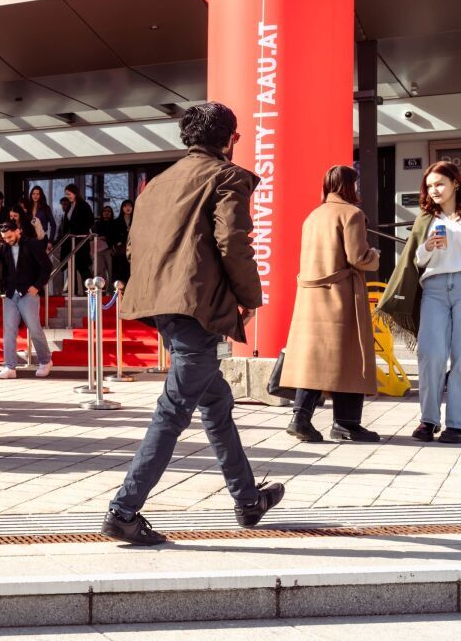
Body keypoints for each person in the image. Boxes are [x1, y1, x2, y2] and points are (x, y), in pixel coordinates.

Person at [103, 102, 283, 546]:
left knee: (216, 402)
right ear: (231, 138)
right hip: (196, 308)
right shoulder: (226, 177)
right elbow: (233, 242)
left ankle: (248, 500)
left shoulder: (157, 184)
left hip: (162, 307)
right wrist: (249, 298)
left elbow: (134, 247)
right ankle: (123, 512)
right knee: (173, 410)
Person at [281, 165, 382, 443]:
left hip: (311, 297)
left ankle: (301, 418)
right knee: (350, 355)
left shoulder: (313, 216)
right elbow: (358, 258)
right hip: (341, 295)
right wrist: (374, 255)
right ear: (349, 186)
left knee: (315, 359)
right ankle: (346, 424)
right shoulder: (352, 214)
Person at [376, 161, 461, 444]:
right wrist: (427, 247)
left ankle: (456, 424)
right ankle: (428, 420)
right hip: (434, 289)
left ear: (455, 184)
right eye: (429, 186)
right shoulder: (425, 219)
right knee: (430, 354)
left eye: (440, 184)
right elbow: (415, 260)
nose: (434, 190)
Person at [0, 220, 52, 380]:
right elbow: (4, 269)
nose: (8, 240)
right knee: (9, 330)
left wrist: (37, 286)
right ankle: (9, 366)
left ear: (18, 231)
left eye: (10, 236)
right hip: (10, 293)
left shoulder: (32, 244)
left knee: (34, 328)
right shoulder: (4, 247)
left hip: (28, 292)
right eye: (5, 238)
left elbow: (47, 266)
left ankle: (45, 361)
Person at [61, 184, 95, 281]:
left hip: (80, 241)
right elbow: (67, 223)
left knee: (82, 266)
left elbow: (90, 221)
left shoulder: (83, 205)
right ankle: (74, 289)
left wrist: (79, 230)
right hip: (70, 241)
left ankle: (91, 287)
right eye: (66, 194)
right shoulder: (70, 206)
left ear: (75, 193)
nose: (67, 196)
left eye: (69, 194)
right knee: (72, 267)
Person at [93, 205, 119, 279]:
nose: (106, 213)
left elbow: (116, 237)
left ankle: (110, 286)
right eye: (105, 211)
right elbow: (93, 235)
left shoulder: (114, 224)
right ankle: (98, 285)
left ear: (111, 213)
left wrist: (106, 238)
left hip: (109, 250)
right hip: (98, 250)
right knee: (98, 270)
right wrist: (99, 237)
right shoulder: (97, 224)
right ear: (102, 213)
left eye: (109, 211)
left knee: (111, 271)